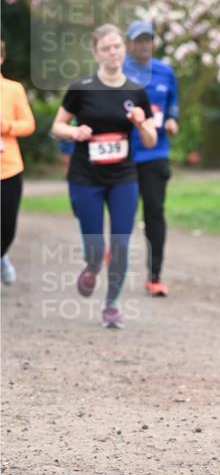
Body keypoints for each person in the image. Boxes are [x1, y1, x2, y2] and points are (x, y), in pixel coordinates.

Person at [51, 23, 157, 328]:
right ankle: (92, 265)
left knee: (121, 242)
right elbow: (57, 125)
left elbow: (150, 139)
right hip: (86, 176)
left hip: (123, 176)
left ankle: (111, 304)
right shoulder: (81, 87)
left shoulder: (135, 90)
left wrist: (140, 124)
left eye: (117, 47)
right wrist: (74, 131)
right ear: (96, 52)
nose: (113, 53)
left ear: (124, 49)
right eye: (106, 48)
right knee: (96, 247)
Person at [123, 20, 179, 297]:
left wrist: (171, 120)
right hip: (124, 155)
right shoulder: (117, 72)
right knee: (124, 212)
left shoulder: (165, 71)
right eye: (138, 40)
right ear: (128, 43)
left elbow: (173, 106)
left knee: (154, 212)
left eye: (148, 40)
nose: (144, 45)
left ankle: (154, 275)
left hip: (155, 154)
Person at [1, 40, 36, 284]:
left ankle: (2, 256)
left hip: (9, 168)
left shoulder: (13, 89)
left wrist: (7, 127)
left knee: (7, 228)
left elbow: (29, 124)